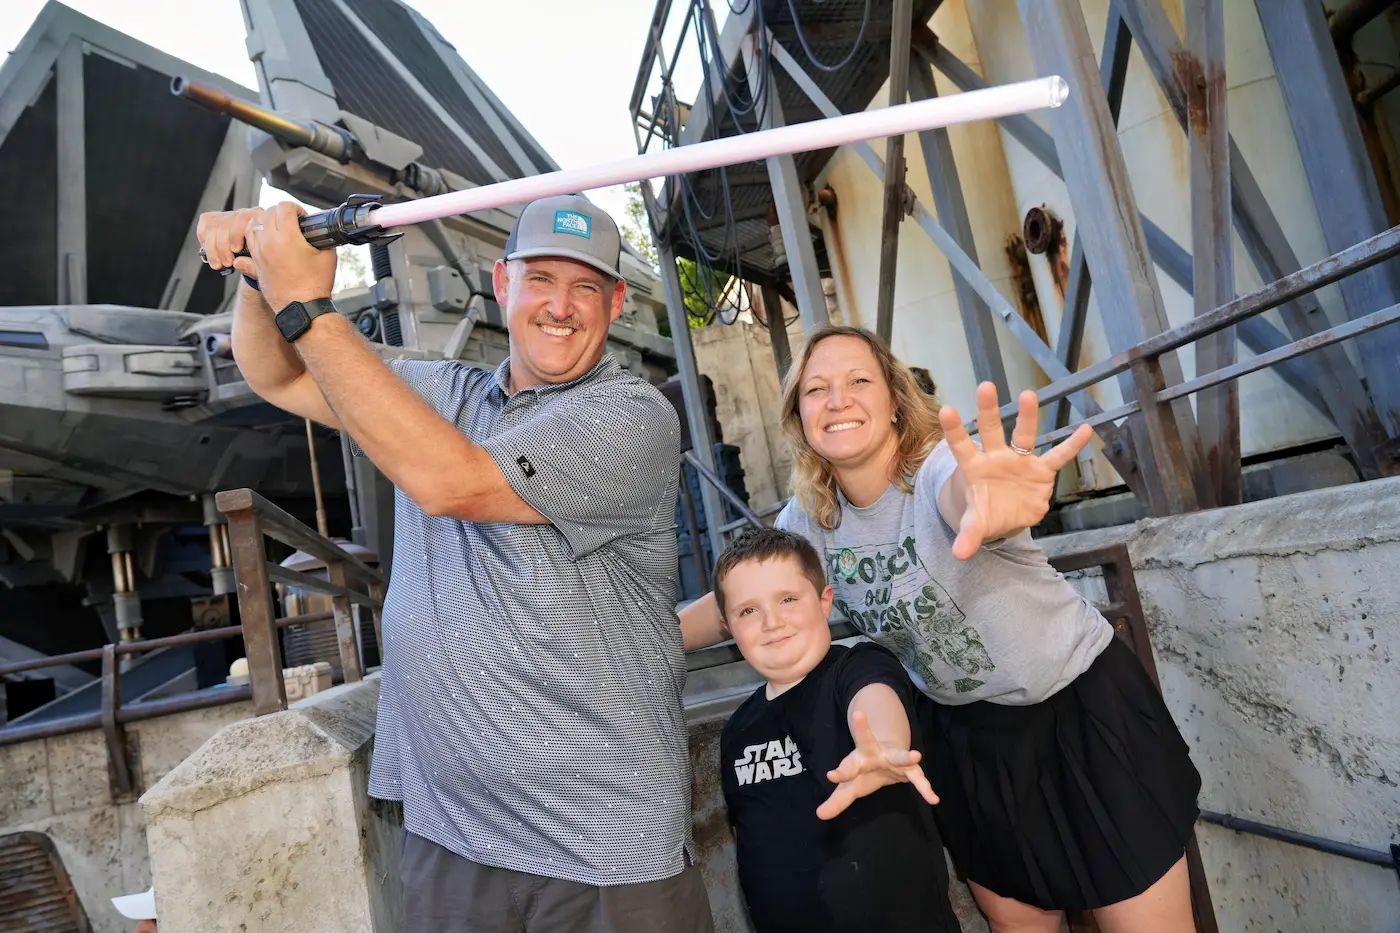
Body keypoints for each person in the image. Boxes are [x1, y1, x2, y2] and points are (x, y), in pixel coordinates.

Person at [197, 195, 714, 933]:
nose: (560, 306)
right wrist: (258, 275)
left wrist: (307, 298)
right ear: (502, 285)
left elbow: (454, 483)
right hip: (453, 840)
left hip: (603, 845)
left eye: (586, 287)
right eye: (540, 280)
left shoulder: (630, 417)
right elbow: (278, 377)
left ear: (617, 302)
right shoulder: (443, 393)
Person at [681, 325, 1202, 933]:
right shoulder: (814, 517)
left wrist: (988, 502)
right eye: (815, 389)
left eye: (858, 381)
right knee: (1019, 925)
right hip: (967, 739)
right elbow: (740, 593)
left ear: (895, 399)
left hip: (1079, 714)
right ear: (799, 418)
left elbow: (964, 494)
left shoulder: (937, 468)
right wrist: (653, 633)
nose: (837, 399)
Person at [713, 527, 963, 933]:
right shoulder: (737, 731)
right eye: (748, 611)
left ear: (824, 601)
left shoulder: (857, 667)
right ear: (728, 626)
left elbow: (876, 700)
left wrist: (883, 746)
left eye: (788, 600)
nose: (771, 622)